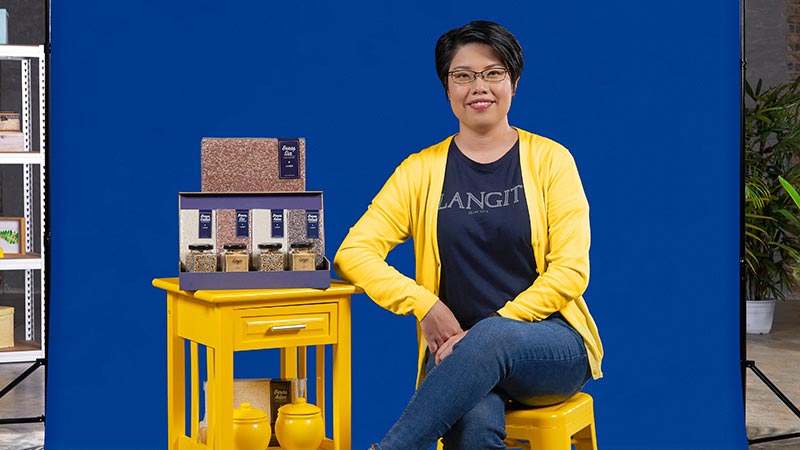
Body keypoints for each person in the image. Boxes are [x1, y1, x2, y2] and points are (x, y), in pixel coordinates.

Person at [334, 20, 603, 450]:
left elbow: (571, 271)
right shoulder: (419, 171)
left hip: (550, 349)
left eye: (493, 73)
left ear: (514, 82)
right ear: (447, 88)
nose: (479, 85)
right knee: (473, 422)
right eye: (463, 75)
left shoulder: (552, 161)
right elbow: (353, 253)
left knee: (491, 338)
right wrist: (425, 305)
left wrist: (487, 331)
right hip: (457, 358)